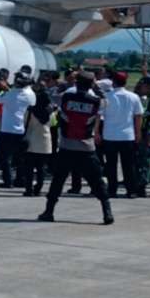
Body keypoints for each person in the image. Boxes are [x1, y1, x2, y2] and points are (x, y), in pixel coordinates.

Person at [38, 72, 114, 225]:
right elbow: (107, 102)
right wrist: (96, 87)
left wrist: (63, 85)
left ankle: (49, 211)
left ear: (77, 83)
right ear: (91, 84)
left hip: (67, 146)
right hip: (87, 147)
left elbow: (50, 96)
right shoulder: (96, 101)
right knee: (97, 181)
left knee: (58, 181)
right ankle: (107, 212)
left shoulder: (66, 98)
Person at [101, 71, 142, 199]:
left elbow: (99, 116)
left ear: (113, 82)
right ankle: (131, 190)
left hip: (110, 135)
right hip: (127, 135)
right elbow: (138, 116)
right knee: (129, 165)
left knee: (111, 164)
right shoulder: (133, 97)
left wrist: (96, 132)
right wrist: (138, 132)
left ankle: (112, 189)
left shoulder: (106, 96)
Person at [0, 71, 36, 188]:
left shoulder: (10, 94)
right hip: (22, 129)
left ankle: (7, 181)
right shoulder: (30, 94)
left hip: (8, 129)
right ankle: (20, 179)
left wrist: (0, 88)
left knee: (5, 158)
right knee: (20, 158)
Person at [22, 90, 52, 196]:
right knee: (41, 168)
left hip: (31, 141)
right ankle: (38, 188)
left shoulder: (30, 110)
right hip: (45, 142)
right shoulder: (51, 112)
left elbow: (24, 123)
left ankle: (29, 189)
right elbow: (53, 124)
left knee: (29, 168)